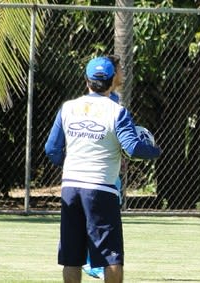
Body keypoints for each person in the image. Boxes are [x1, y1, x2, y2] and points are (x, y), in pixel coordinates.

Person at [45, 56, 160, 283]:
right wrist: (155, 151)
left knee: (72, 257)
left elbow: (51, 149)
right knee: (111, 257)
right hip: (100, 190)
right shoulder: (117, 112)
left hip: (70, 188)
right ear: (111, 81)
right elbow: (133, 147)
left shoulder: (68, 108)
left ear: (87, 80)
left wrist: (72, 164)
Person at [81, 54, 126, 280]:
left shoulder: (115, 98)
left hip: (110, 169)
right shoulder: (95, 103)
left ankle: (94, 261)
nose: (122, 73)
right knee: (96, 218)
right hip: (96, 171)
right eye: (119, 69)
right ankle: (92, 262)